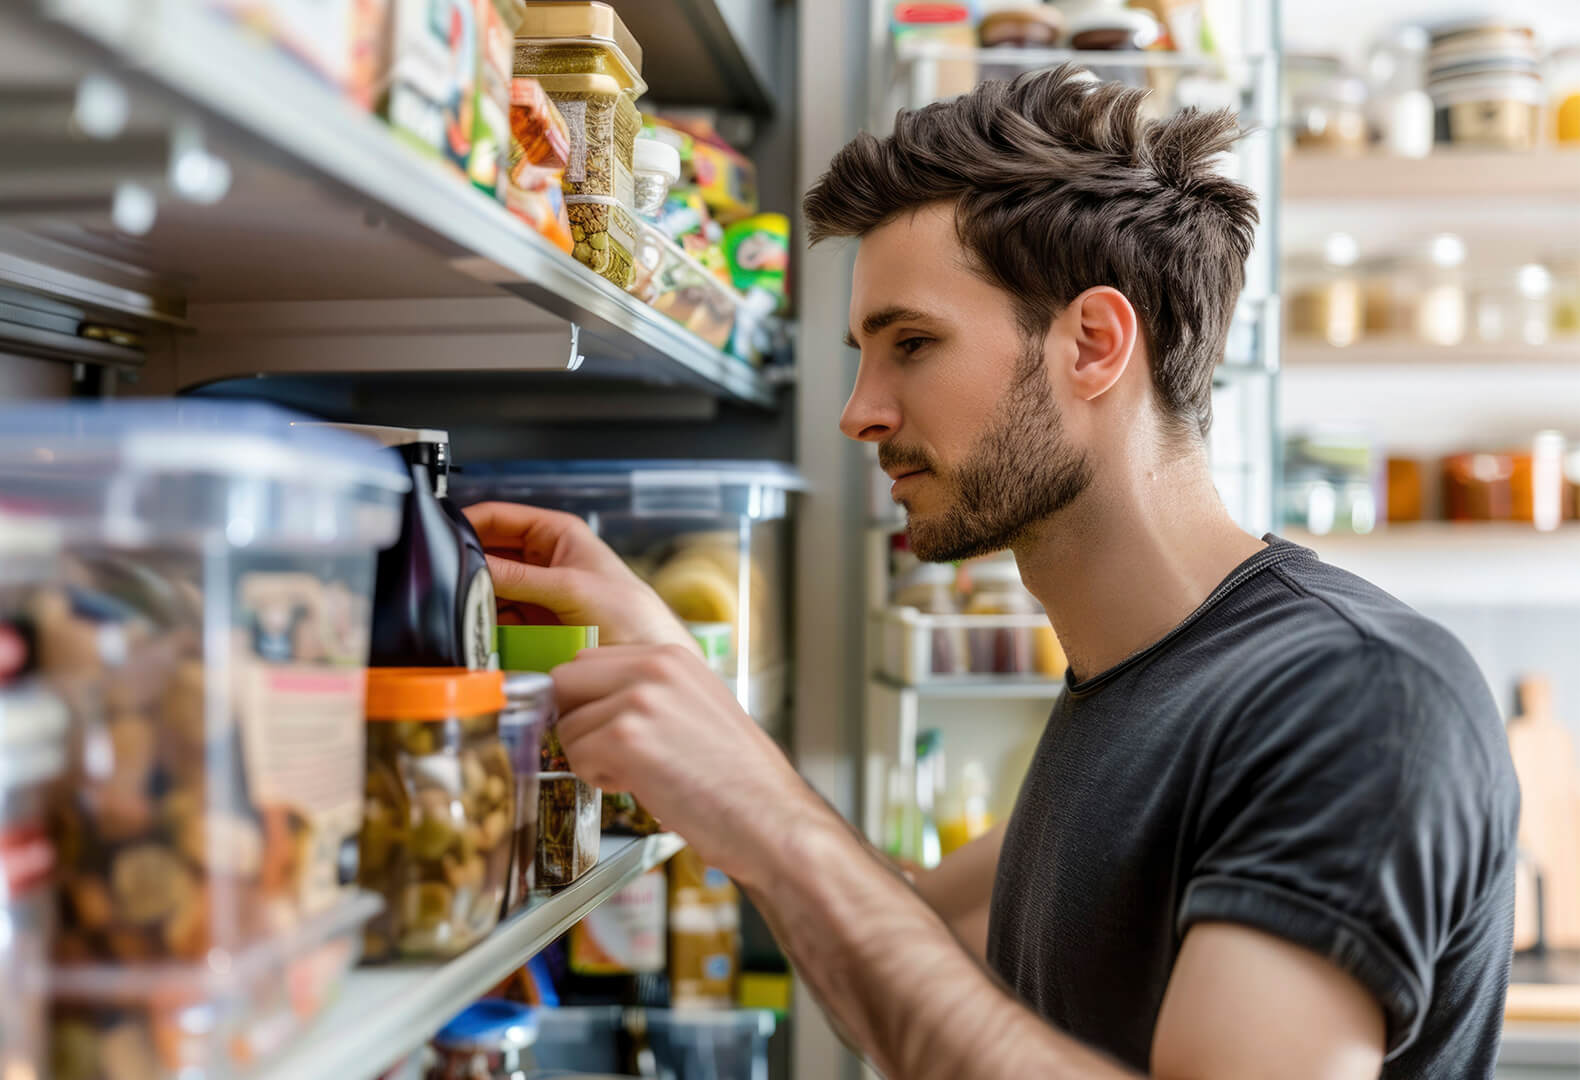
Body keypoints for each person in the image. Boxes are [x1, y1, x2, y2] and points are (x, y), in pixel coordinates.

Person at [465, 68, 1519, 1079]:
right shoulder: (1142, 687)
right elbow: (910, 944)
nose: (858, 412)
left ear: (1093, 344)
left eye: (911, 344)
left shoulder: (1354, 699)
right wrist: (673, 667)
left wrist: (766, 803)